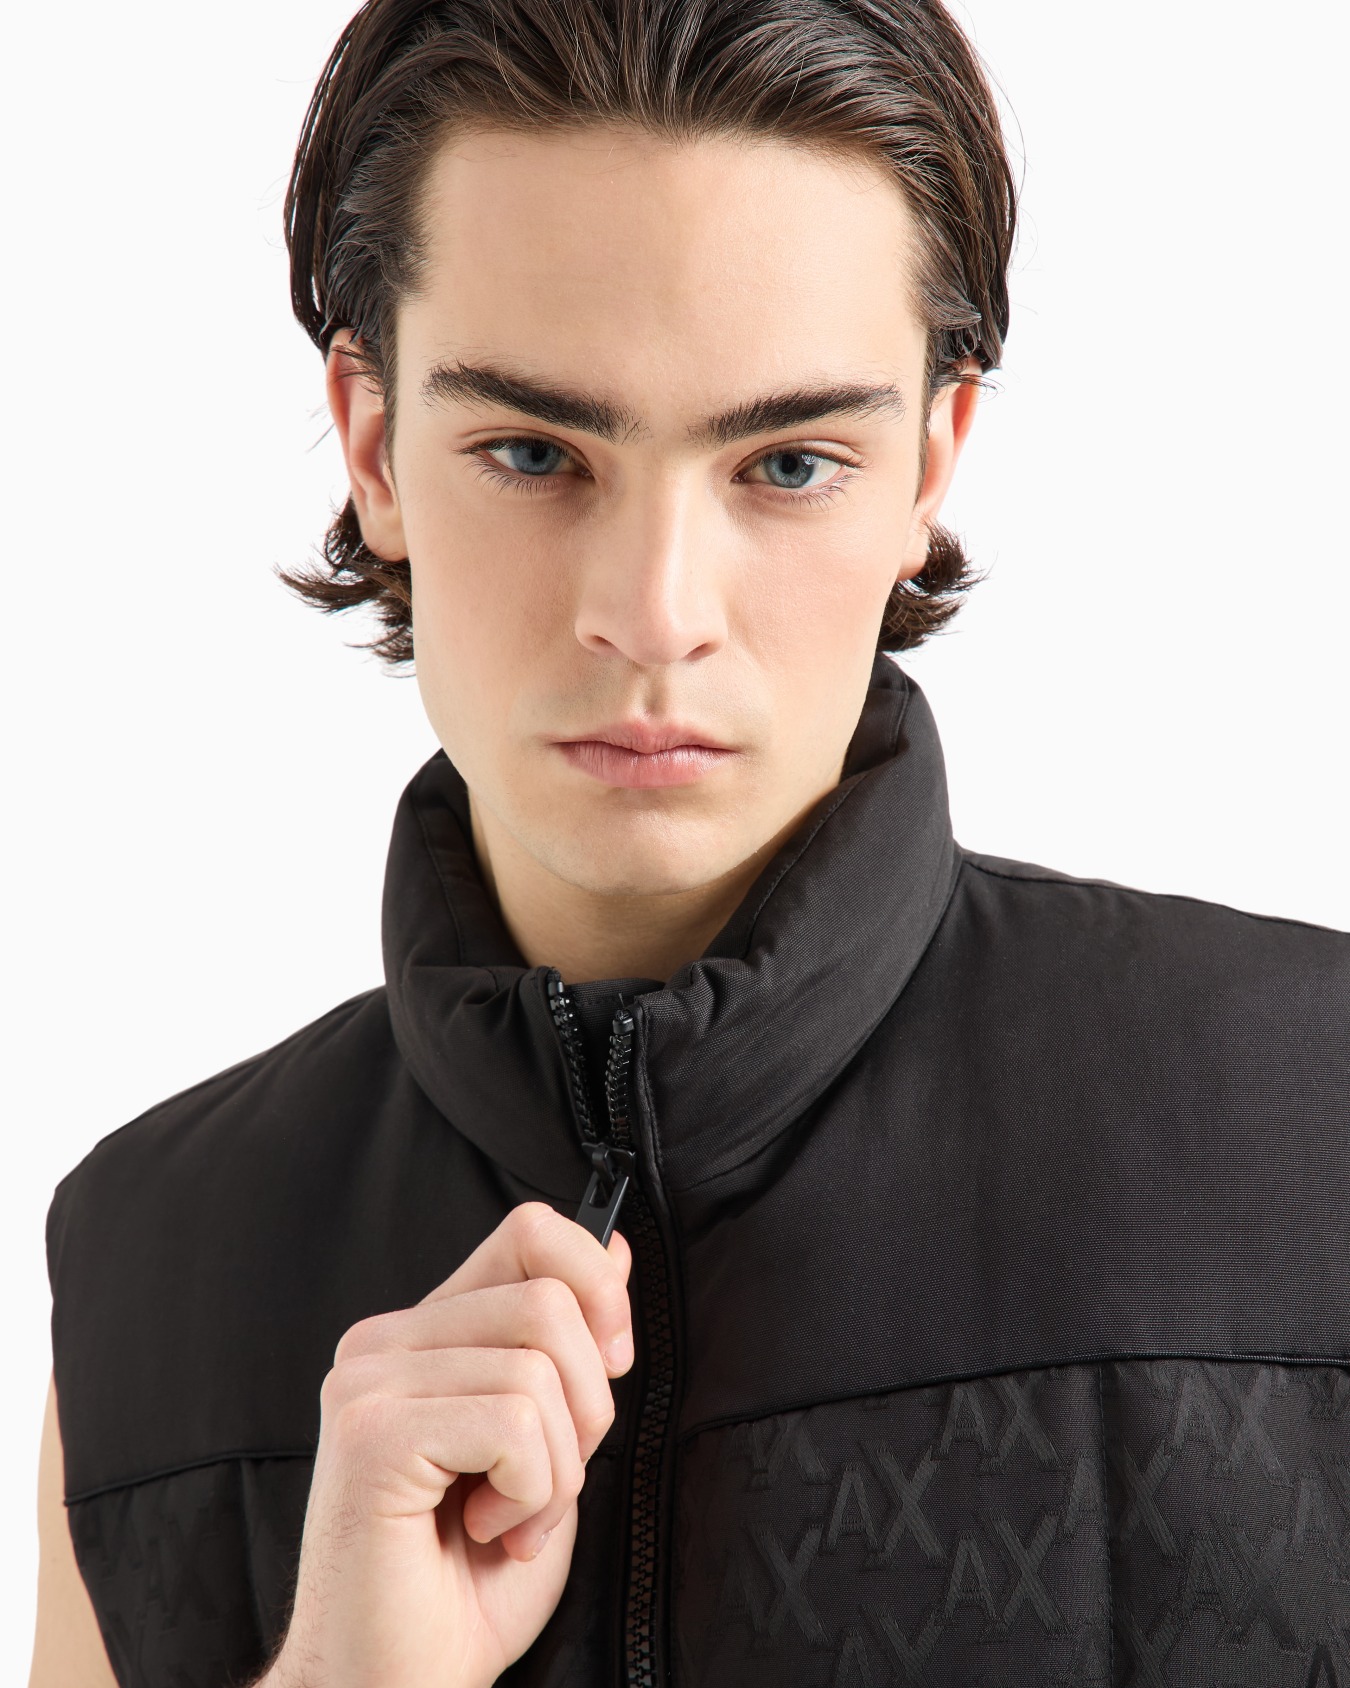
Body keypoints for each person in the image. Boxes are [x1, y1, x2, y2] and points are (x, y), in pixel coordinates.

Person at [28, 0, 1350, 1683]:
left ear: (927, 464)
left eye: (787, 463)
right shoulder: (151, 1266)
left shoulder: (1316, 1123)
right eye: (532, 453)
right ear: (372, 444)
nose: (652, 614)